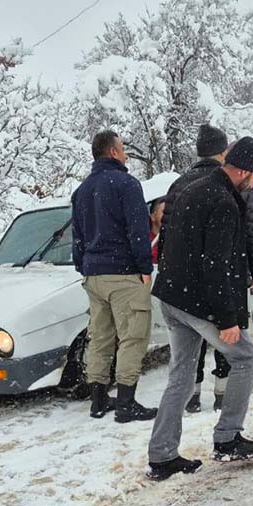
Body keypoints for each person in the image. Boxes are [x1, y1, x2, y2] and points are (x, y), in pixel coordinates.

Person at [147, 137, 253, 481]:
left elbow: (168, 240)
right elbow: (217, 265)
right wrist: (227, 319)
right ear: (243, 170)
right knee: (246, 358)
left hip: (172, 296)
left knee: (181, 377)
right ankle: (228, 438)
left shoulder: (189, 188)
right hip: (197, 302)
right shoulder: (224, 202)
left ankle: (162, 456)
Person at [163, 125, 253, 413]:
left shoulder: (180, 184)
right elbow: (250, 232)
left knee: (185, 362)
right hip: (219, 282)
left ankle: (193, 396)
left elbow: (168, 230)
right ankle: (224, 402)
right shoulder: (231, 192)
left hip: (181, 288)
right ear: (224, 153)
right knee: (234, 345)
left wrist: (169, 272)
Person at [71, 130, 158, 423]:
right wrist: (144, 268)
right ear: (112, 152)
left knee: (100, 337)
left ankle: (98, 400)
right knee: (133, 335)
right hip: (123, 273)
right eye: (122, 149)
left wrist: (83, 266)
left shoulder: (82, 191)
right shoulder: (126, 185)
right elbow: (138, 231)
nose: (125, 154)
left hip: (93, 275)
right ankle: (126, 402)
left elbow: (78, 236)